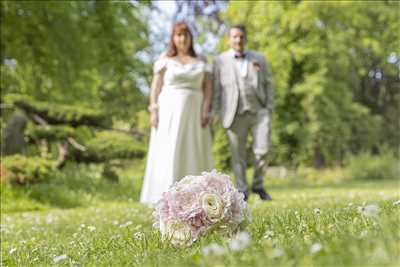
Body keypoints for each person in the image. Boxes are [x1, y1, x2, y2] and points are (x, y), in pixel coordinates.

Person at [140, 22, 214, 205]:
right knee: (170, 149)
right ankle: (166, 194)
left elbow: (208, 88)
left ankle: (196, 195)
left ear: (191, 38)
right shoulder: (165, 58)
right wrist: (153, 110)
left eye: (186, 35)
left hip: (194, 112)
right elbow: (156, 87)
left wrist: (206, 109)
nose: (182, 39)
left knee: (193, 149)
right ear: (173, 38)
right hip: (169, 113)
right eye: (179, 35)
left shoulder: (202, 60)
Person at [212, 24, 273, 201]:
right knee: (237, 154)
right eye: (234, 37)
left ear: (245, 38)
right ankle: (242, 189)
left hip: (259, 110)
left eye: (241, 37)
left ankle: (258, 185)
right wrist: (216, 111)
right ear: (228, 39)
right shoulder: (220, 61)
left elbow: (268, 83)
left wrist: (269, 106)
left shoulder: (259, 58)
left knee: (263, 149)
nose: (238, 40)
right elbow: (217, 90)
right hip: (233, 112)